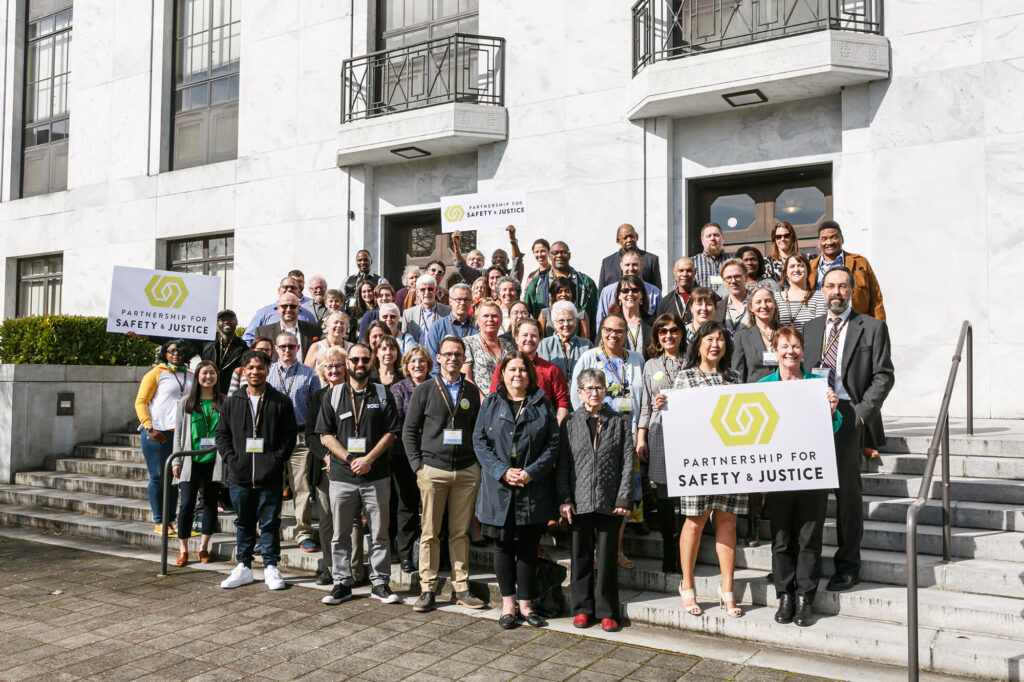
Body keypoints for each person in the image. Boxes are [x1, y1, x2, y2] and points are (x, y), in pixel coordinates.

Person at [802, 266, 894, 591]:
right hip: (812, 415)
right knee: (809, 493)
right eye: (830, 286)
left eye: (842, 286)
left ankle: (848, 565)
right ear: (821, 290)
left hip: (848, 414)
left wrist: (861, 414)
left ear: (852, 290)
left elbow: (884, 376)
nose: (836, 292)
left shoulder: (871, 327)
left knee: (847, 496)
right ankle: (804, 565)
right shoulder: (810, 328)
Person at [758, 326, 842, 627]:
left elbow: (833, 428)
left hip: (812, 474)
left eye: (795, 346)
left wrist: (832, 410)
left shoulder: (816, 385)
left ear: (802, 350)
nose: (790, 351)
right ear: (775, 350)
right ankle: (785, 595)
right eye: (784, 346)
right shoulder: (763, 385)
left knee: (808, 539)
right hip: (779, 475)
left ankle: (806, 597)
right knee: (781, 539)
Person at [474, 351, 560, 629]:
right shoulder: (491, 403)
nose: (517, 375)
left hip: (531, 488)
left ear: (529, 374)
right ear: (503, 373)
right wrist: (501, 471)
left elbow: (553, 443)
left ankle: (526, 605)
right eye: (511, 369)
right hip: (499, 489)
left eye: (522, 370)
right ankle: (508, 604)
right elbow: (479, 442)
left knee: (528, 547)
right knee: (502, 547)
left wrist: (530, 473)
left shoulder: (542, 403)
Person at [402, 336, 486, 612]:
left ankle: (461, 587)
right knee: (429, 533)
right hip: (432, 470)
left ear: (464, 359)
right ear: (437, 358)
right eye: (447, 354)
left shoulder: (471, 392)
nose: (452, 358)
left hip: (465, 471)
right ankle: (427, 589)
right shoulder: (425, 389)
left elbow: (479, 432)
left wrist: (476, 465)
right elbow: (409, 431)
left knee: (459, 533)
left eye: (458, 354)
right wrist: (418, 466)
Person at [317, 343, 402, 605]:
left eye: (365, 359)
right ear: (347, 364)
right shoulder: (333, 395)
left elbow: (391, 432)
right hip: (342, 476)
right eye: (355, 359)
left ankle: (380, 583)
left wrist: (368, 459)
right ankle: (341, 583)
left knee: (379, 532)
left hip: (376, 474)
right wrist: (351, 458)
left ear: (372, 362)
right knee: (340, 534)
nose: (360, 364)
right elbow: (325, 435)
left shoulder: (382, 393)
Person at [673, 320, 745, 618]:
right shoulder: (684, 378)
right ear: (698, 344)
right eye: (709, 339)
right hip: (698, 462)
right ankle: (687, 586)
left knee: (727, 521)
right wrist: (665, 404)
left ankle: (726, 590)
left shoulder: (735, 378)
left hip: (730, 462)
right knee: (695, 521)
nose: (715, 344)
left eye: (720, 340)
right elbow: (677, 421)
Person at [558, 368, 634, 632]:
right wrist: (565, 498)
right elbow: (564, 464)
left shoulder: (618, 422)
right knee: (580, 556)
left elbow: (627, 462)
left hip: (610, 500)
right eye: (588, 388)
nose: (594, 392)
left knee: (607, 557)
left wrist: (624, 496)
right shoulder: (569, 422)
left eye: (599, 387)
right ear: (579, 393)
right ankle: (581, 608)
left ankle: (607, 611)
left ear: (605, 391)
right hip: (578, 502)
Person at [217, 349, 297, 590]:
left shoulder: (281, 401)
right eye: (250, 367)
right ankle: (244, 566)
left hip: (270, 475)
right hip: (239, 475)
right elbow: (222, 434)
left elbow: (289, 437)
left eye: (260, 367)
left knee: (270, 522)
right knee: (243, 522)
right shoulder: (232, 402)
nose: (255, 371)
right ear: (243, 371)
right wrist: (232, 459)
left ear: (267, 370)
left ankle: (271, 566)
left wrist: (275, 460)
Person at [569, 313, 645, 568]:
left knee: (622, 497)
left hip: (625, 437)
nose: (614, 335)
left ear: (627, 334)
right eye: (609, 330)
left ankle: (614, 549)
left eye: (620, 331)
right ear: (601, 331)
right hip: (594, 436)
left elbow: (641, 397)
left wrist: (639, 433)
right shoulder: (589, 357)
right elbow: (575, 394)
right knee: (594, 495)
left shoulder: (636, 360)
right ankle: (593, 550)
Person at [730, 286, 780, 546]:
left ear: (775, 304)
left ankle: (773, 513)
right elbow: (737, 375)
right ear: (750, 307)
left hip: (782, 407)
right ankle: (752, 524)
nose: (764, 306)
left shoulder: (786, 333)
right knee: (756, 469)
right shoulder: (742, 337)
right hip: (754, 411)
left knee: (777, 465)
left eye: (768, 301)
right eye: (758, 302)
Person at [636, 313, 686, 573]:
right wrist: (641, 436)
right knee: (664, 495)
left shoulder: (693, 361)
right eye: (663, 331)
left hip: (688, 435)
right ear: (656, 336)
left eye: (674, 330)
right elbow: (644, 404)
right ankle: (669, 549)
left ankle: (685, 550)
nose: (669, 335)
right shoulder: (650, 366)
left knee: (687, 495)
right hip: (659, 433)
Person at [268, 332, 322, 553]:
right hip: (273, 438)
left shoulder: (310, 374)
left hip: (300, 438)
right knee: (272, 487)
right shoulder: (268, 373)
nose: (287, 350)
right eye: (282, 347)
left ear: (298, 347)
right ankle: (270, 533)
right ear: (275, 348)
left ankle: (304, 533)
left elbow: (317, 408)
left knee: (302, 488)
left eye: (291, 346)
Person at [135, 338, 194, 534]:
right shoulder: (155, 374)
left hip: (181, 435)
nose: (176, 354)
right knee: (158, 477)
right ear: (165, 354)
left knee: (174, 479)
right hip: (157, 433)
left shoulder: (192, 376)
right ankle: (159, 521)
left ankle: (171, 520)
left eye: (180, 351)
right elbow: (141, 402)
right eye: (171, 351)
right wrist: (149, 428)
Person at [171, 360, 224, 565]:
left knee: (210, 504)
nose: (208, 377)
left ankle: (203, 547)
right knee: (186, 505)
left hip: (214, 460)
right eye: (204, 373)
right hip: (189, 460)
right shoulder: (186, 402)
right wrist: (176, 459)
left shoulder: (224, 402)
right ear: (197, 376)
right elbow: (178, 434)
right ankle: (183, 549)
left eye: (212, 373)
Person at [304, 347, 345, 586]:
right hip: (325, 467)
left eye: (338, 365)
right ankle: (330, 567)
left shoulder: (356, 393)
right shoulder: (317, 397)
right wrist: (326, 456)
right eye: (329, 366)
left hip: (350, 465)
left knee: (348, 522)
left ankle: (351, 568)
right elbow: (311, 435)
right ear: (322, 370)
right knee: (328, 520)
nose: (333, 370)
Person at [389, 344, 432, 572]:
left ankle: (431, 554)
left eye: (422, 360)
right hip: (404, 456)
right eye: (413, 361)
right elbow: (396, 423)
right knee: (406, 505)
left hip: (433, 455)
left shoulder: (436, 385)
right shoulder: (399, 389)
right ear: (406, 365)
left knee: (432, 508)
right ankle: (405, 554)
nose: (418, 365)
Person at [489, 318, 571, 423]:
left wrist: (557, 431)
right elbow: (493, 400)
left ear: (540, 339)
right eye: (525, 335)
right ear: (516, 338)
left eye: (534, 336)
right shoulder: (503, 368)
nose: (529, 339)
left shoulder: (552, 370)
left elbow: (562, 404)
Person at [808, 221, 885, 320]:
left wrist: (879, 330)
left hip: (857, 324)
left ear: (842, 239)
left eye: (834, 237)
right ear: (819, 243)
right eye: (824, 239)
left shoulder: (860, 263)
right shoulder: (809, 268)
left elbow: (876, 300)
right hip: (822, 325)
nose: (830, 242)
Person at [524, 241, 598, 336]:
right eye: (555, 253)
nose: (559, 255)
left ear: (569, 255)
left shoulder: (585, 282)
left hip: (579, 341)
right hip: (547, 341)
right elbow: (526, 311)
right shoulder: (537, 282)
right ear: (549, 256)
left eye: (563, 252)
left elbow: (597, 313)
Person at [462, 300, 516, 393]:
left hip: (507, 401)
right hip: (480, 402)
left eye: (494, 316)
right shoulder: (468, 343)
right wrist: (484, 401)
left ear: (501, 320)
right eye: (485, 316)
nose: (490, 319)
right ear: (478, 321)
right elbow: (466, 377)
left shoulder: (509, 345)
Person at [596, 250, 662, 325]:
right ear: (621, 266)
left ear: (641, 265)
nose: (631, 268)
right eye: (627, 265)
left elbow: (659, 323)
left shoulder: (655, 293)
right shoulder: (607, 292)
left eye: (635, 265)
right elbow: (600, 323)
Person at [243, 276, 317, 343]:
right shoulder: (264, 313)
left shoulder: (308, 315)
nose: (289, 289)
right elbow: (249, 338)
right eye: (285, 287)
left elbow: (315, 339)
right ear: (279, 290)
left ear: (298, 291)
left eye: (293, 287)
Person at [254, 293, 322, 361]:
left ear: (298, 308)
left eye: (292, 306)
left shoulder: (314, 330)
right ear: (278, 308)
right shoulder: (263, 332)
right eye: (284, 306)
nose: (288, 309)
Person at [598, 223, 663, 291]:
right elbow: (601, 293)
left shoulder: (651, 260)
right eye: (625, 237)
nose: (629, 240)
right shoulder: (607, 263)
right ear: (618, 240)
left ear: (637, 237)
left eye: (631, 236)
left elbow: (657, 291)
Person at [538, 300, 592, 381]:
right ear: (554, 324)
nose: (566, 324)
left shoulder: (587, 345)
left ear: (576, 321)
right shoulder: (544, 344)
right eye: (561, 321)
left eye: (570, 320)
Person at [452, 226, 525, 283]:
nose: (498, 259)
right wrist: (456, 247)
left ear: (508, 260)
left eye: (501, 257)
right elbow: (463, 268)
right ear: (491, 261)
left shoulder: (511, 275)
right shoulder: (484, 274)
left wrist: (513, 240)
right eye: (495, 257)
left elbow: (517, 261)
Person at [425, 283, 478, 361]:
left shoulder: (479, 325)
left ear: (471, 302)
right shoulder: (437, 327)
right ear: (450, 301)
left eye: (466, 299)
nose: (462, 303)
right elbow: (432, 360)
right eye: (458, 299)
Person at [774, 253, 826, 332]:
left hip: (810, 343)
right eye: (792, 266)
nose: (796, 270)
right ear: (786, 272)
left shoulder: (819, 297)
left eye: (801, 266)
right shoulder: (776, 298)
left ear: (808, 271)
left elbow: (820, 328)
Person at [605, 275, 654, 358]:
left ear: (641, 294)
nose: (630, 294)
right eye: (625, 291)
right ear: (619, 296)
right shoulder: (609, 323)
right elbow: (600, 350)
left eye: (635, 290)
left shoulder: (652, 323)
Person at [402, 274, 452, 344]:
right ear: (417, 292)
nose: (427, 293)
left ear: (436, 290)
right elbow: (404, 340)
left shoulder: (448, 312)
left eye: (430, 289)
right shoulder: (408, 314)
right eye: (422, 289)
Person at [538, 276, 591, 341]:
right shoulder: (545, 313)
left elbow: (585, 342)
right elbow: (539, 339)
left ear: (572, 293)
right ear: (554, 294)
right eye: (559, 292)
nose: (564, 294)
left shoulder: (581, 314)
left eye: (567, 291)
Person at [656, 257, 696, 324]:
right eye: (681, 270)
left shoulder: (707, 297)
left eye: (689, 270)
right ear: (674, 272)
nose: (684, 274)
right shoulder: (664, 303)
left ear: (694, 272)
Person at [692, 222, 730, 289]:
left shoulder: (733, 261)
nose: (712, 238)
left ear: (722, 238)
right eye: (708, 236)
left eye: (716, 235)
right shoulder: (692, 263)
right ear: (702, 240)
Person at [720, 259, 750, 337]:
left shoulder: (758, 304)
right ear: (723, 281)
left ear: (746, 277)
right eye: (728, 277)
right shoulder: (717, 307)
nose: (733, 281)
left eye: (737, 276)